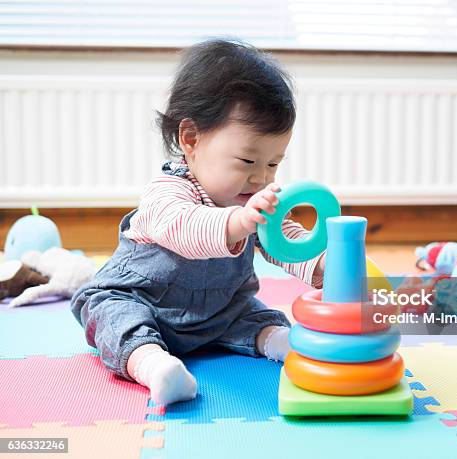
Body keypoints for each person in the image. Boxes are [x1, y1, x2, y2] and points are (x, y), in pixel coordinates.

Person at [71, 39, 325, 405]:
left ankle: (281, 344)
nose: (261, 179)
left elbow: (283, 238)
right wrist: (239, 222)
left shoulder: (252, 201)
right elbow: (185, 227)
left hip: (219, 311)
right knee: (111, 315)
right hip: (144, 302)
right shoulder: (166, 193)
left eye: (273, 164)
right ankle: (154, 366)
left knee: (258, 314)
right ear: (190, 138)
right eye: (247, 161)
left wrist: (322, 264)